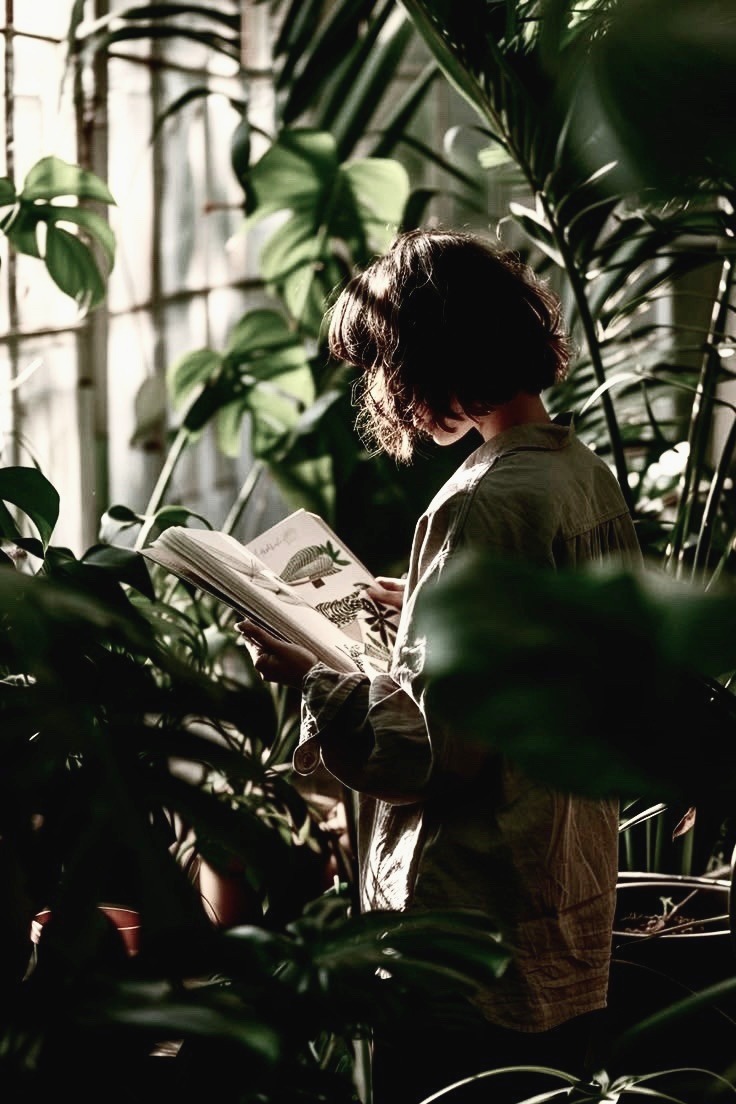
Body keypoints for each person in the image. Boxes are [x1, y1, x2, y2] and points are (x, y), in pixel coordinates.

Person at [235, 227, 643, 1103]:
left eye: (385, 364)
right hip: (562, 894)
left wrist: (310, 676)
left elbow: (428, 751)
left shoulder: (480, 502)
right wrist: (420, 603)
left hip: (470, 922)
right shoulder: (582, 477)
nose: (383, 391)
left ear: (431, 357)